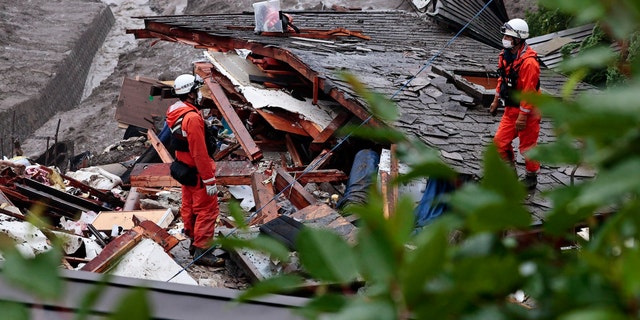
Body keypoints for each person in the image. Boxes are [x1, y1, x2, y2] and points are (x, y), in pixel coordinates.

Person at [166, 73, 224, 267]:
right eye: (197, 91)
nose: (200, 94)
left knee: (189, 209)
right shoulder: (192, 118)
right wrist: (209, 181)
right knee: (207, 211)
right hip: (198, 173)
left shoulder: (176, 112)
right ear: (190, 94)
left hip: (185, 171)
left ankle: (193, 242)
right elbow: (199, 153)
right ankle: (203, 251)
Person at [489, 18, 541, 191]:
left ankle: (531, 178)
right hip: (511, 109)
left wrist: (522, 116)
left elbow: (529, 92)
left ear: (518, 39)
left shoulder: (529, 63)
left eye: (508, 36)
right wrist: (496, 100)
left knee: (528, 147)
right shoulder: (505, 55)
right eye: (505, 35)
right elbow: (502, 79)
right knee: (499, 144)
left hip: (529, 111)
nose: (505, 38)